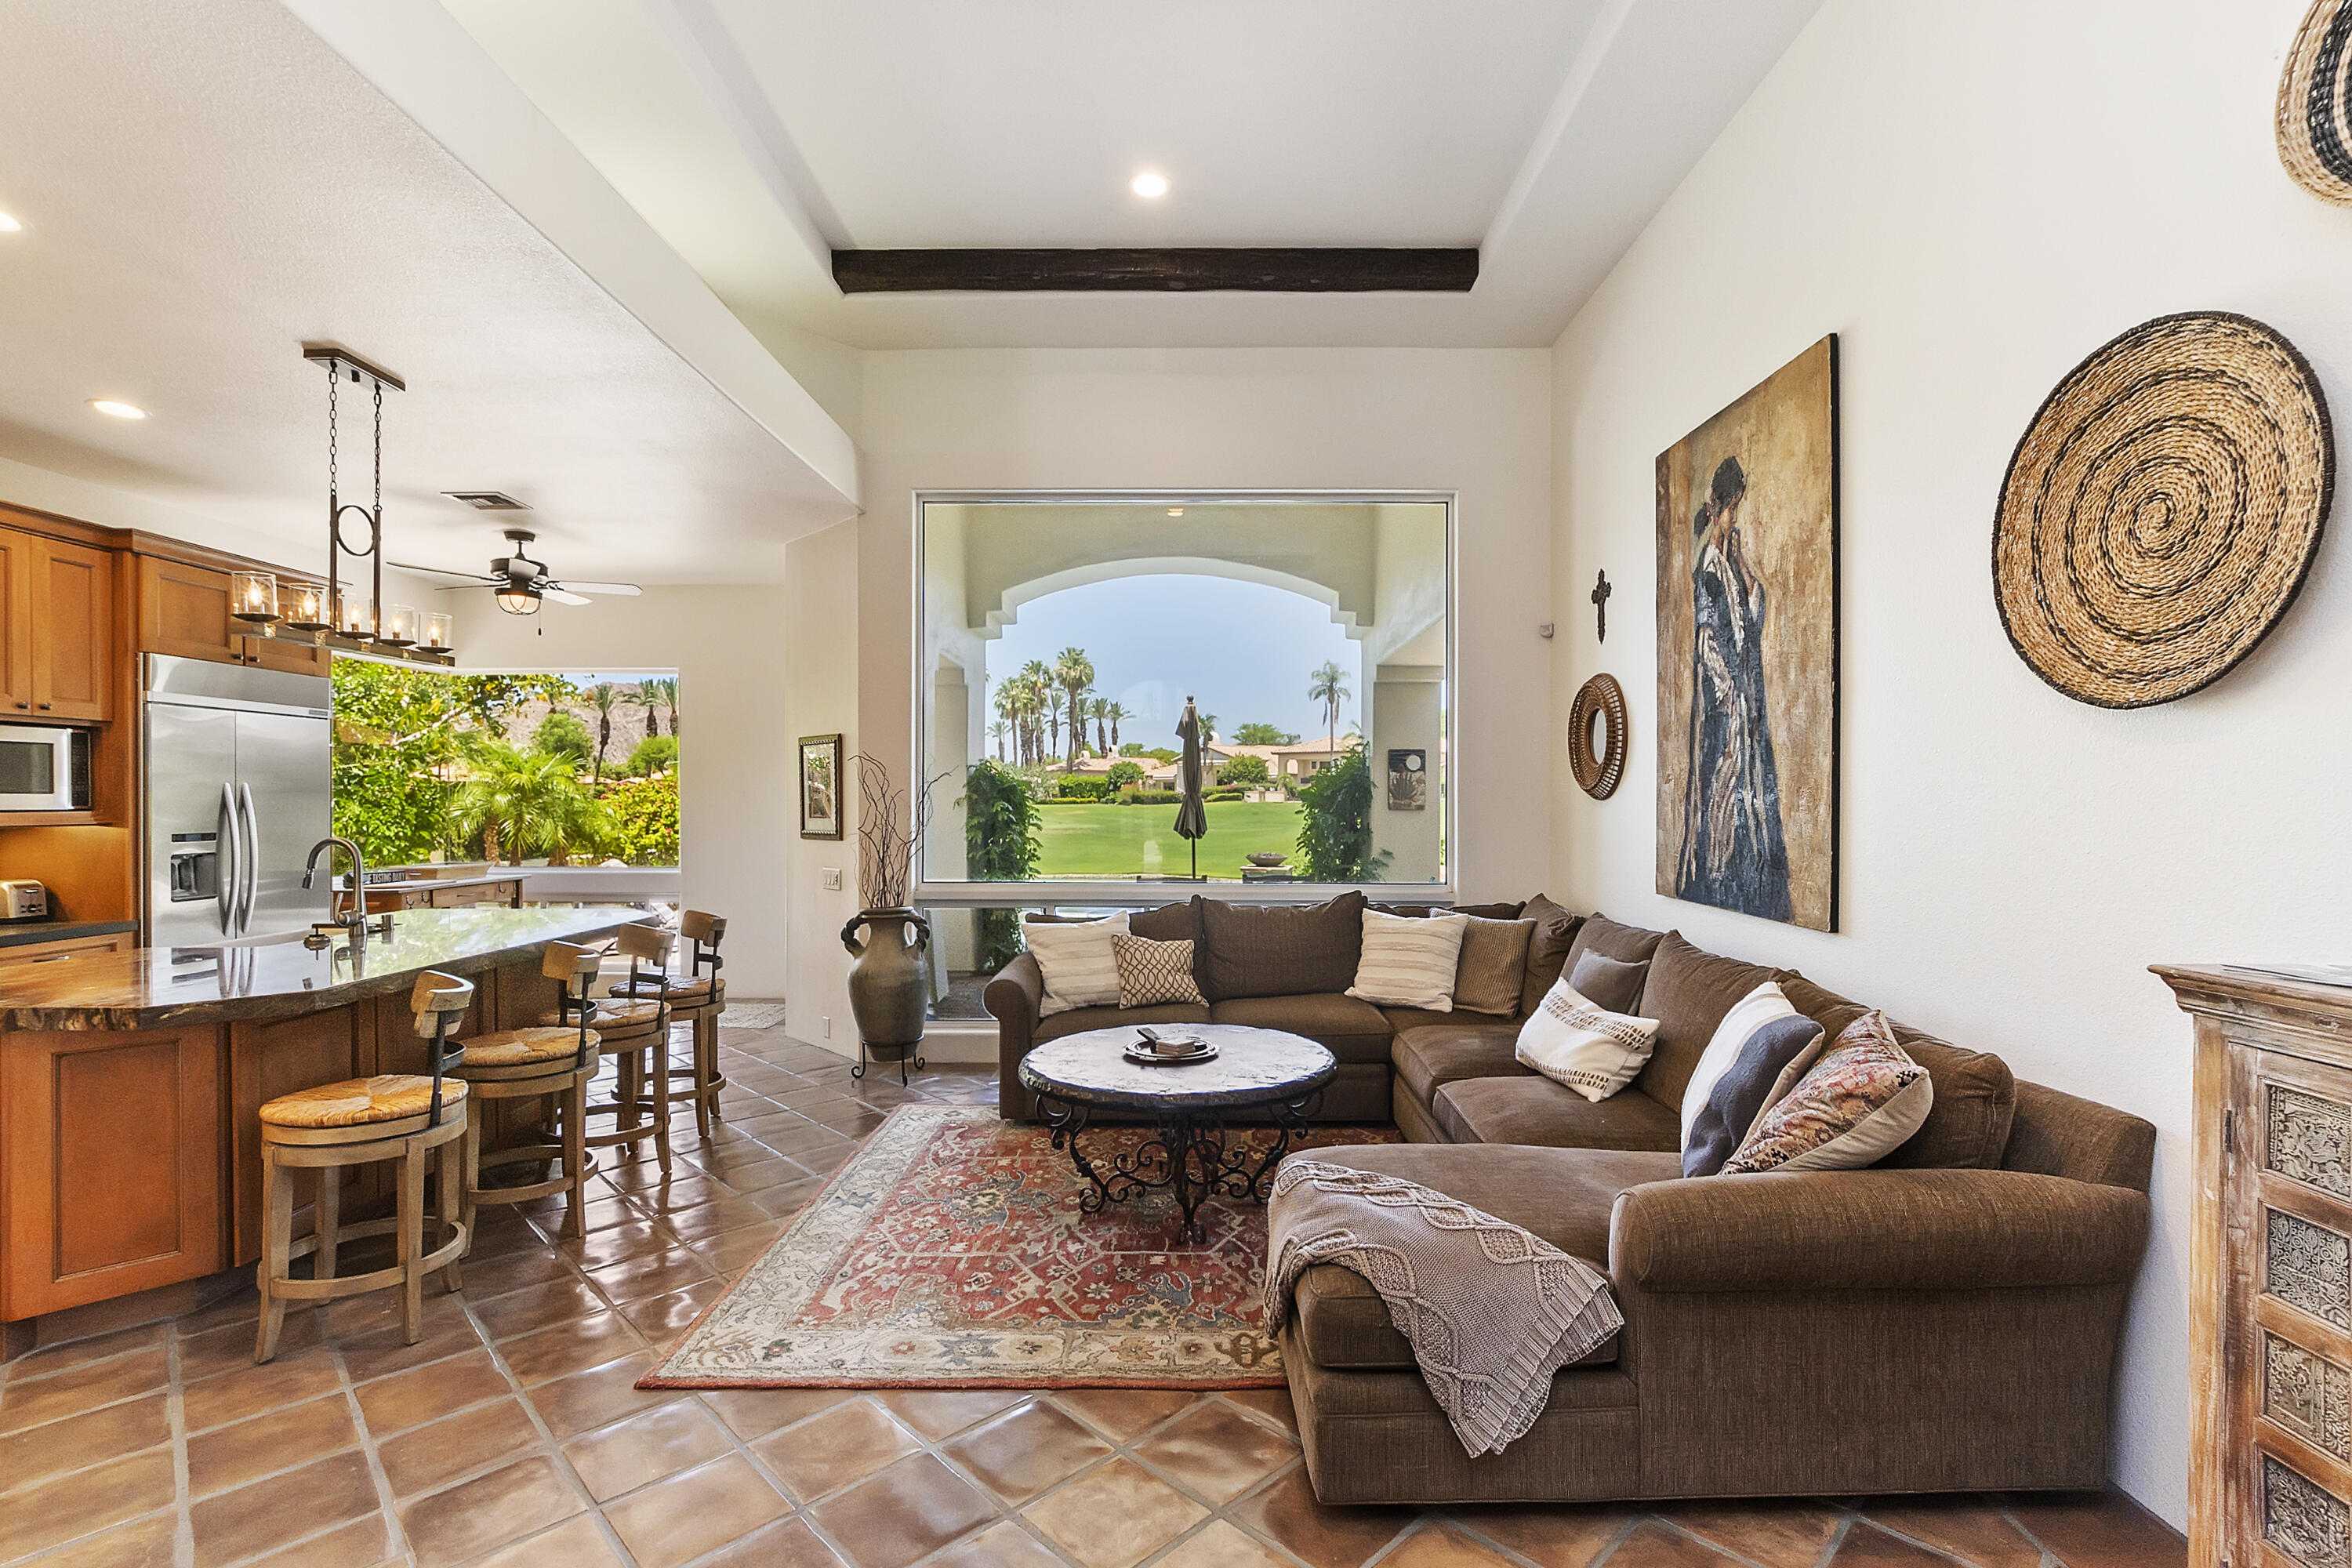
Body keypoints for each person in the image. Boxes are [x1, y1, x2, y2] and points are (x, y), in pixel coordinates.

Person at [1674, 456, 1793, 920]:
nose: (1737, 516)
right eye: (1734, 507)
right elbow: (1707, 638)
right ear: (1720, 506)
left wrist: (1744, 566)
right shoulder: (1708, 566)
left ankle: (1746, 877)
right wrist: (1727, 691)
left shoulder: (1728, 562)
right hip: (1727, 705)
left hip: (1745, 698)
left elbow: (1751, 613)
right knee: (1725, 787)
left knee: (1748, 785)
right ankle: (1721, 874)